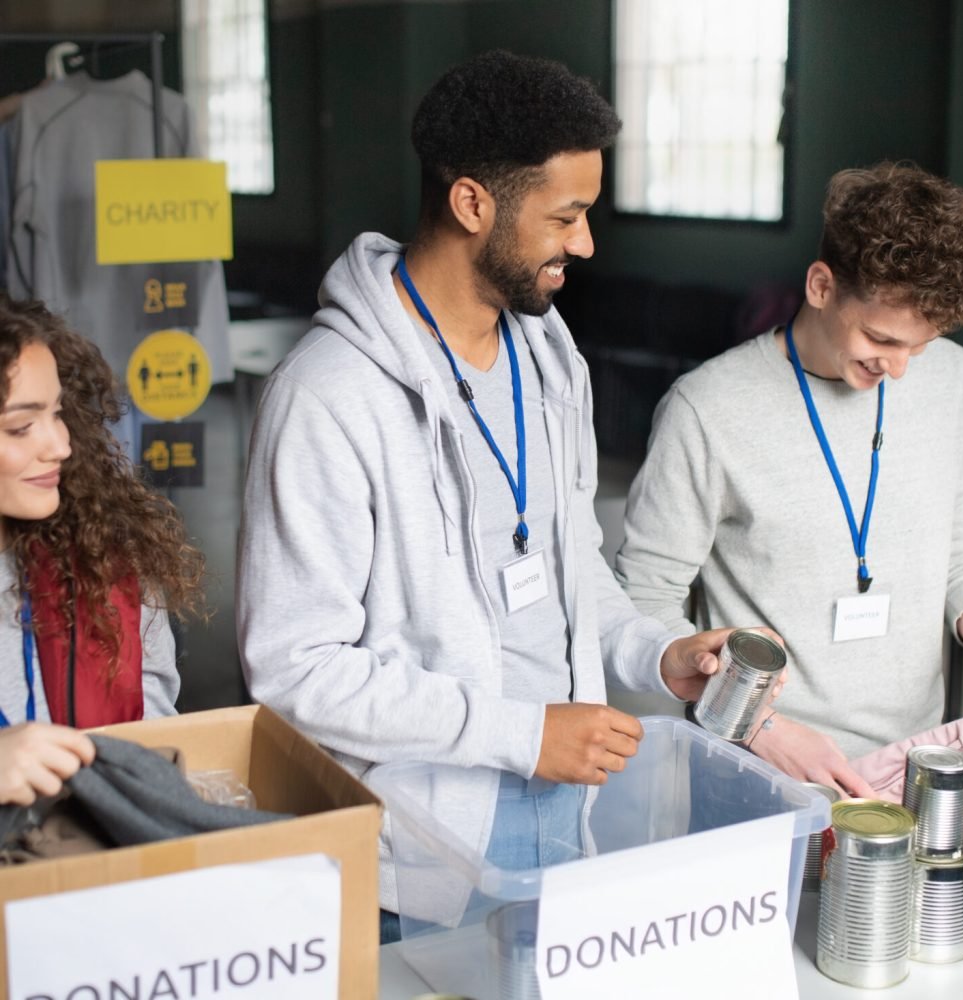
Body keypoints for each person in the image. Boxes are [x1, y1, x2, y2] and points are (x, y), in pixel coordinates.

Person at [237, 50, 766, 939]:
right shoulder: (329, 395)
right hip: (416, 858)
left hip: (563, 818)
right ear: (473, 202)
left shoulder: (548, 359)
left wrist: (655, 654)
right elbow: (296, 669)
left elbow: (568, 571)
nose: (587, 244)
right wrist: (524, 734)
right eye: (567, 216)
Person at [616, 162, 963, 797]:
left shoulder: (953, 377)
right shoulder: (708, 408)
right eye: (881, 337)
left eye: (921, 346)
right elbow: (643, 600)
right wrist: (758, 725)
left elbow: (958, 548)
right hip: (756, 770)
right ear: (822, 286)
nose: (901, 369)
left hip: (914, 770)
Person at [0, 293, 205, 737]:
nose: (60, 446)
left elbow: (153, 729)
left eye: (57, 414)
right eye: (20, 427)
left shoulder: (101, 559)